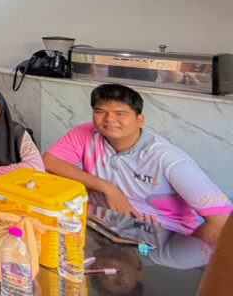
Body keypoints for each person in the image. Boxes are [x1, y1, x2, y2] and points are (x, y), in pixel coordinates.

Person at [44, 83, 231, 244]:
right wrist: (108, 188)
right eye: (100, 112)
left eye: (120, 113)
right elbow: (50, 162)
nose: (109, 119)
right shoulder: (86, 133)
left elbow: (221, 221)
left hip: (162, 239)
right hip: (103, 228)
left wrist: (173, 249)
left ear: (140, 120)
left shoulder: (168, 159)